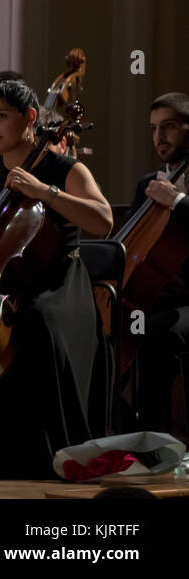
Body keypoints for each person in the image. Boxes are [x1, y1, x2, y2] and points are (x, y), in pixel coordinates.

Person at [0, 75, 112, 476]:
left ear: (30, 117)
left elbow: (103, 221)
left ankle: (46, 457)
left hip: (58, 282)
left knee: (33, 322)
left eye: (1, 117)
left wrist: (45, 192)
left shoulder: (63, 169)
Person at [124, 91, 189, 434]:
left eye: (169, 127)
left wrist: (177, 201)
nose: (159, 137)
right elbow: (132, 247)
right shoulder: (146, 184)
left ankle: (156, 440)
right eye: (153, 129)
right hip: (153, 296)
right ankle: (119, 429)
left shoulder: (170, 190)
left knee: (158, 331)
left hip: (184, 301)